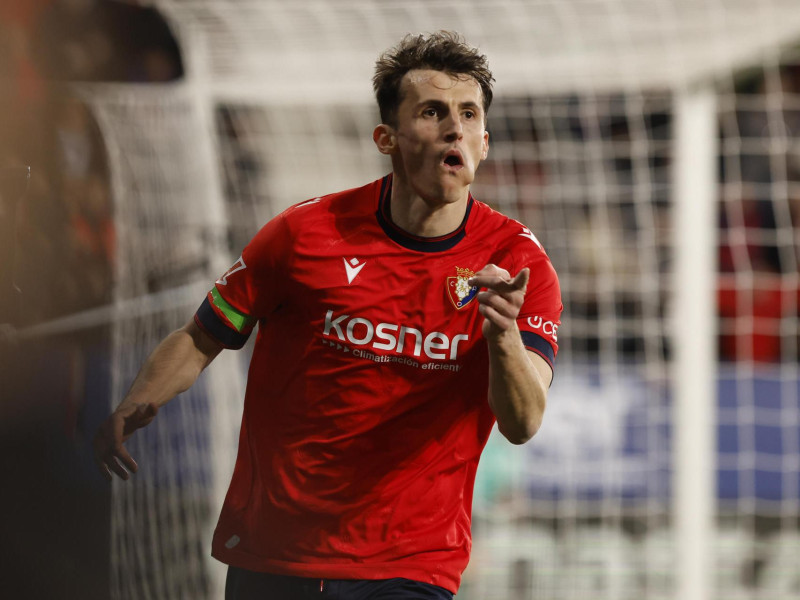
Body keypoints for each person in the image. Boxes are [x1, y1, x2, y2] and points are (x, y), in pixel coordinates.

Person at [94, 31, 562, 599]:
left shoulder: (516, 263)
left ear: (484, 142)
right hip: (277, 549)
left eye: (468, 114)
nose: (454, 128)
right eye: (433, 112)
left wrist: (503, 335)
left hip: (409, 563)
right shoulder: (305, 233)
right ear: (386, 137)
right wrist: (137, 400)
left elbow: (523, 423)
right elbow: (203, 336)